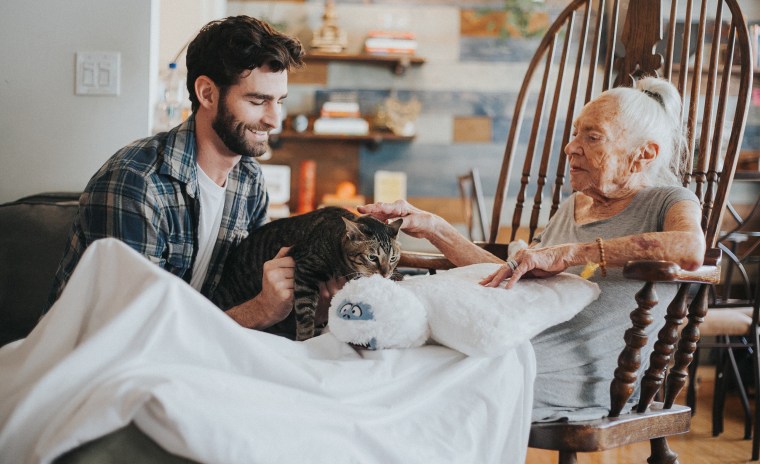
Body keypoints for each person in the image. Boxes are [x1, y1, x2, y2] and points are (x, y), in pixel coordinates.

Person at [358, 76, 705, 421]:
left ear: (643, 154)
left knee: (419, 388)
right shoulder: (575, 206)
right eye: (575, 133)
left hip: (588, 374)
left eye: (592, 136)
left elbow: (690, 248)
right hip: (522, 343)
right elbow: (511, 278)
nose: (571, 147)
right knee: (390, 365)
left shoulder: (669, 201)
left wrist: (571, 253)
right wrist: (435, 228)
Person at [46, 16, 335, 335]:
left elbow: (244, 293)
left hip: (188, 356)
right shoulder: (136, 183)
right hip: (94, 362)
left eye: (279, 102)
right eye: (257, 101)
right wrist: (260, 311)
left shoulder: (248, 181)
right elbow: (134, 334)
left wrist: (316, 306)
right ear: (207, 94)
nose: (273, 120)